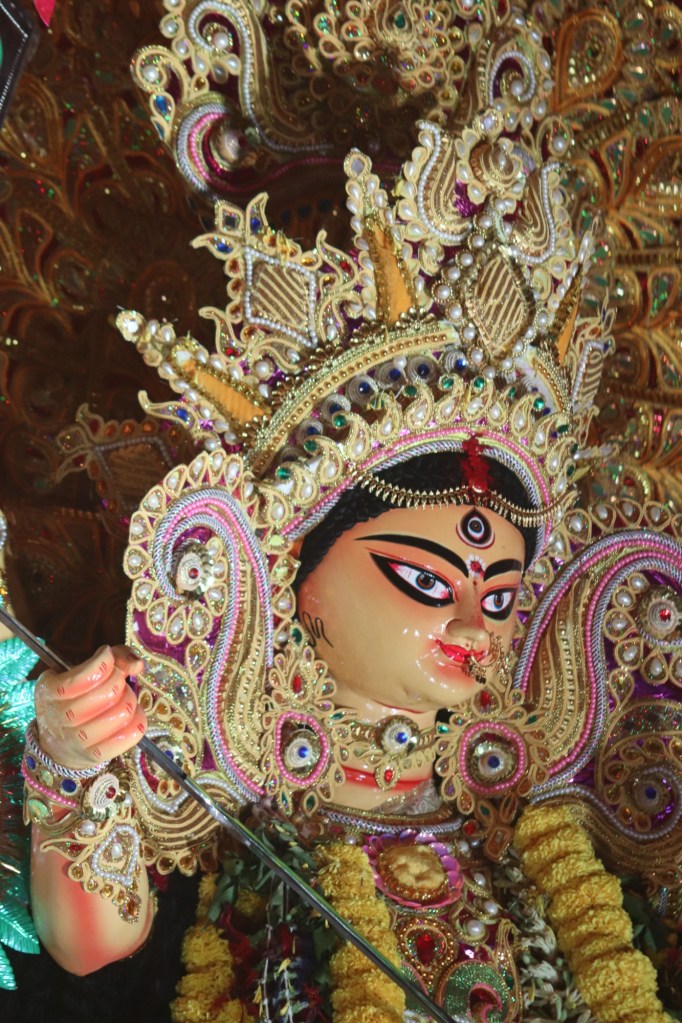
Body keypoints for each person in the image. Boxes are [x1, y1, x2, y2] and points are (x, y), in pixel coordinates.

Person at [19, 53, 682, 1023]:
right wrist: (70, 757)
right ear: (296, 568)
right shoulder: (231, 763)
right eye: (427, 580)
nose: (476, 623)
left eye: (500, 593)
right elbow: (91, 942)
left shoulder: (540, 794)